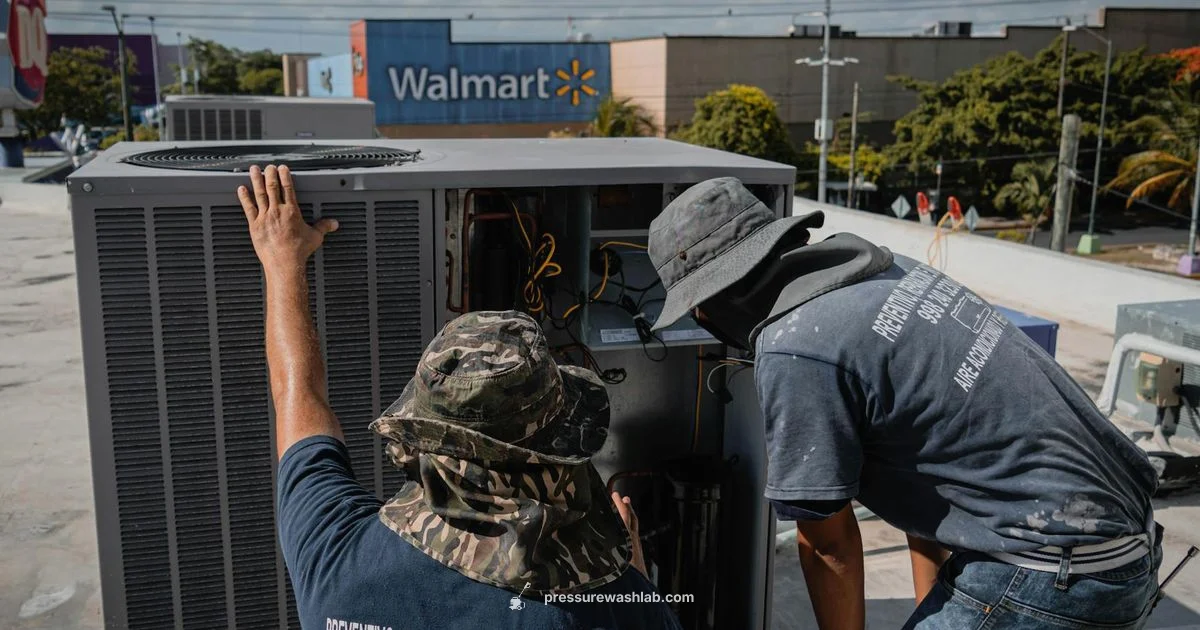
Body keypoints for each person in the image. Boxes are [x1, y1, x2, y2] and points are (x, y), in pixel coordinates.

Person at [647, 177, 1162, 629]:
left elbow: (829, 546)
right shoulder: (889, 273)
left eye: (696, 311)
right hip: (1125, 547)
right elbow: (928, 493)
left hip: (1052, 573)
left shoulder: (796, 345)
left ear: (715, 300)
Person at [236, 164, 681, 630]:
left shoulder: (337, 559)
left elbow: (297, 396)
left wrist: (282, 262)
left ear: (425, 434)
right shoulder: (615, 612)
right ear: (558, 453)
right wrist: (631, 577)